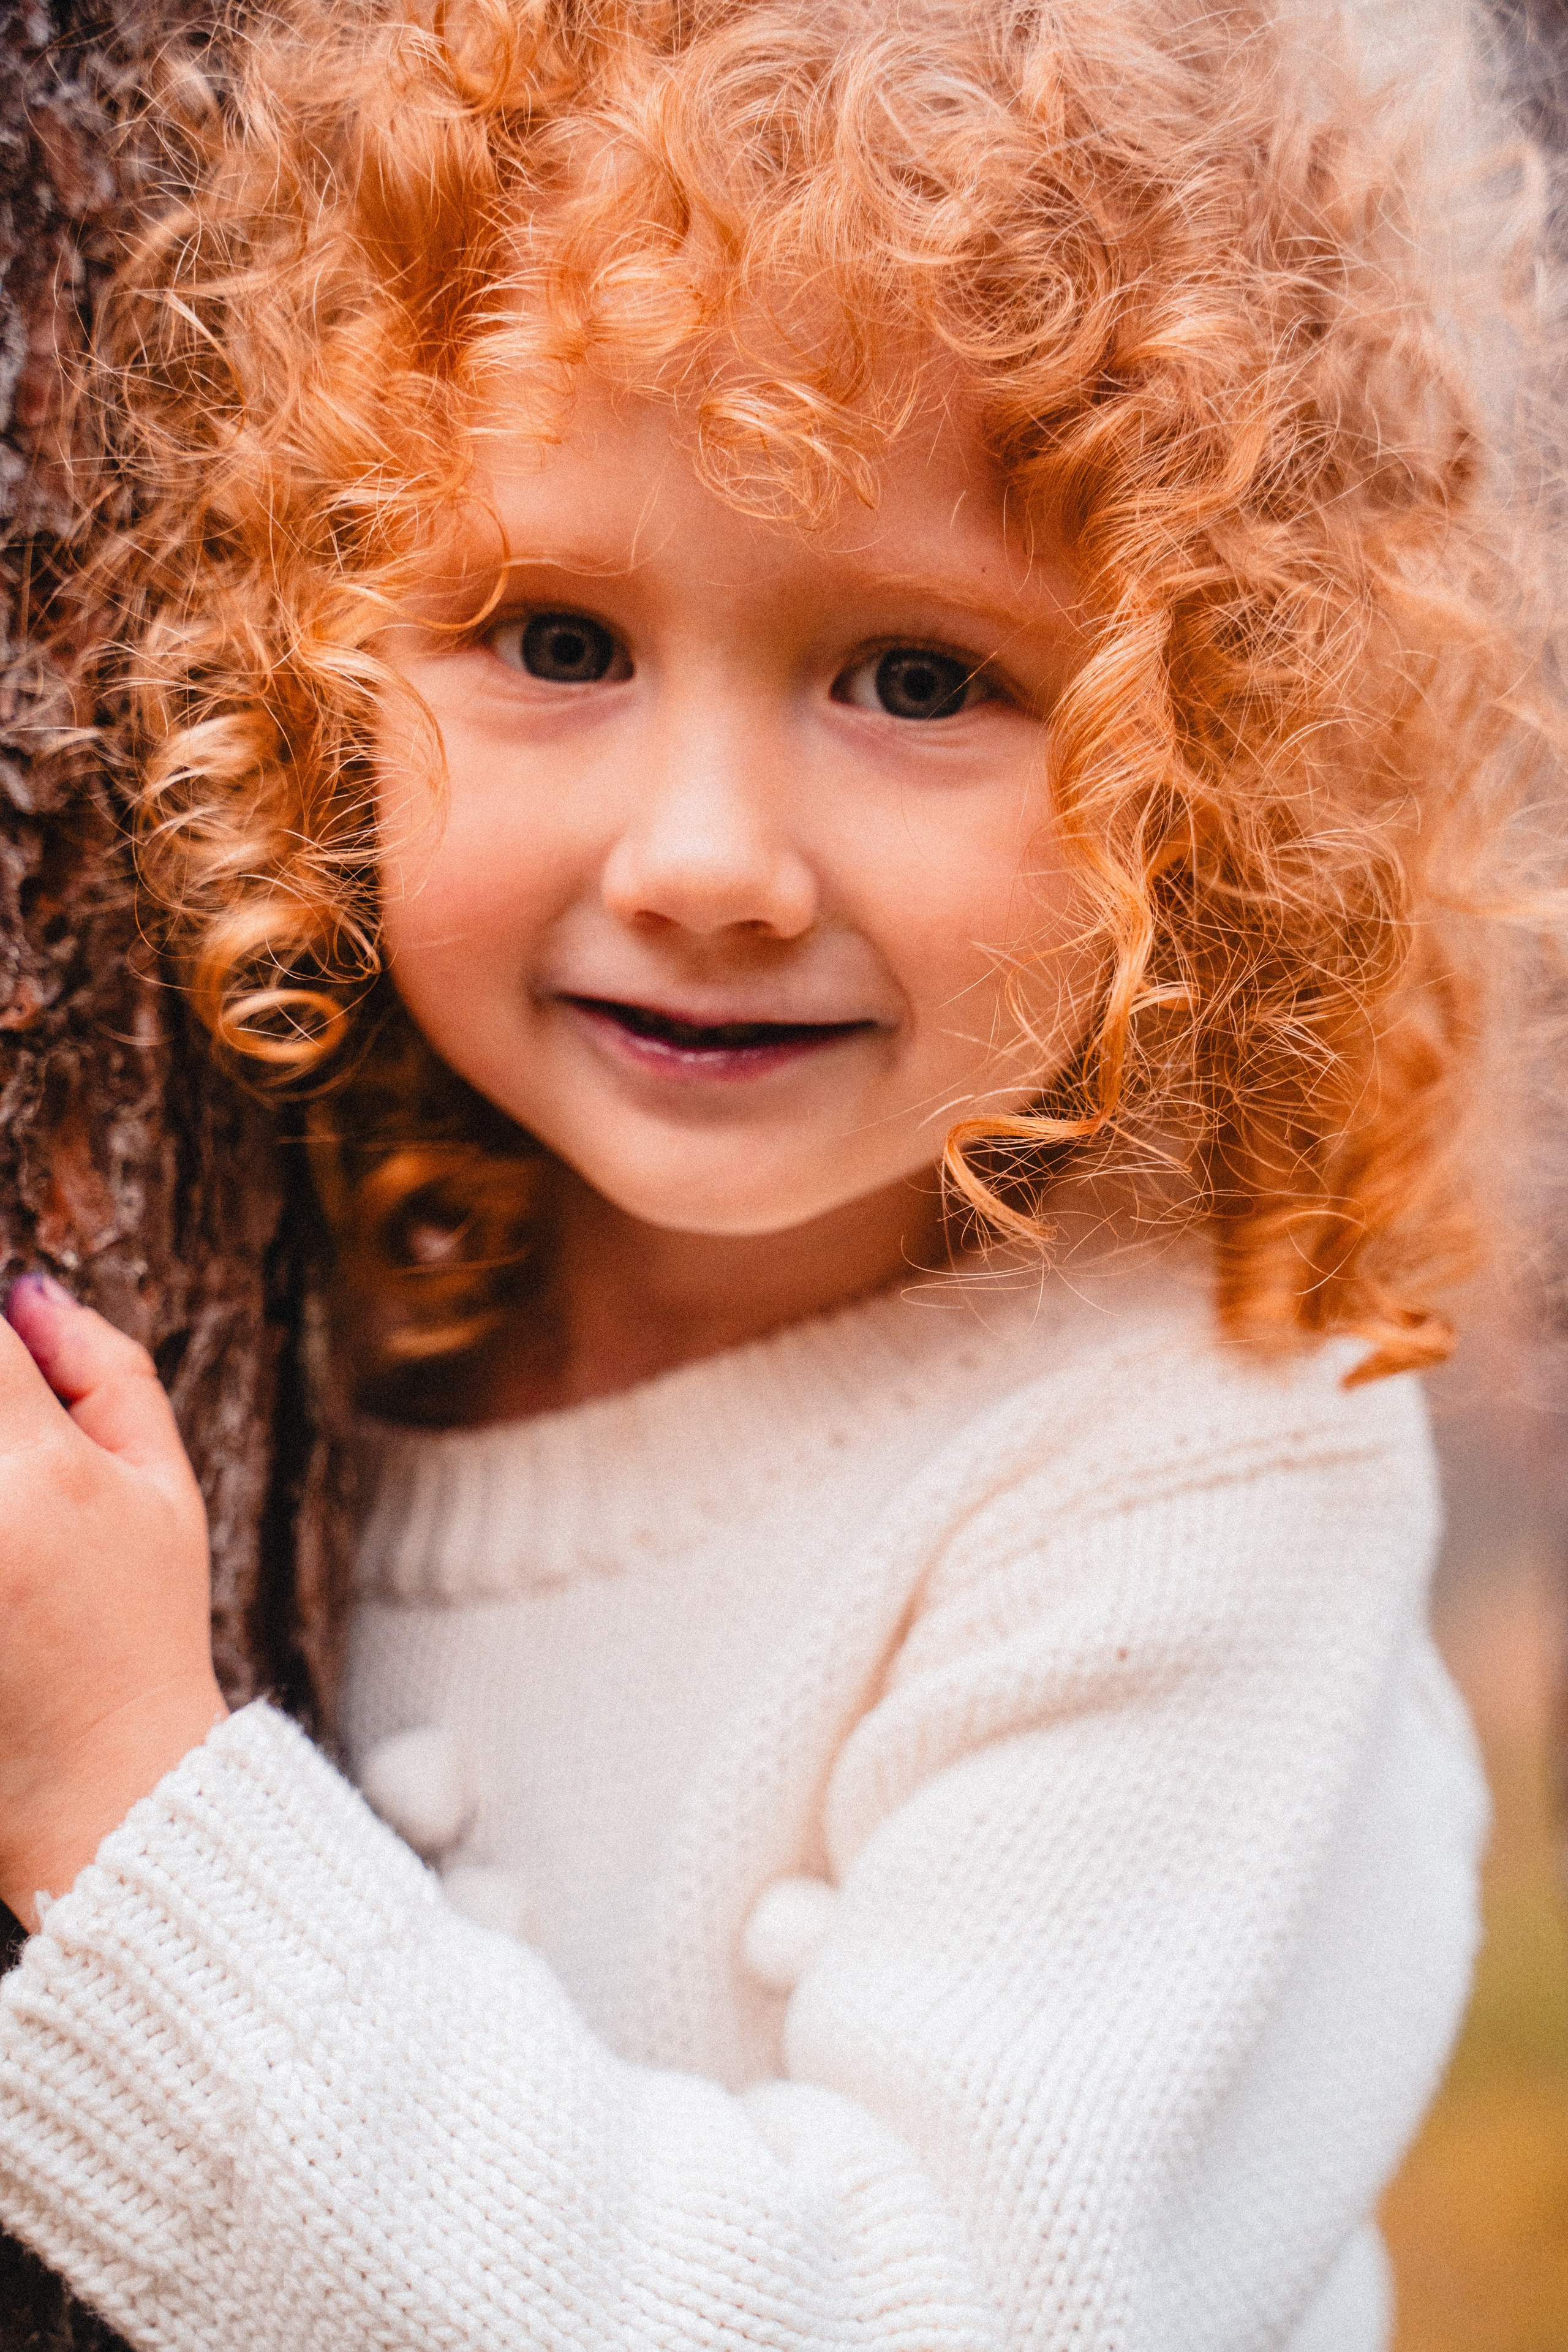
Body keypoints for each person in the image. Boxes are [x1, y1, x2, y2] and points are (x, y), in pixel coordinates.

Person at [0, 0, 1556, 2343]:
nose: (710, 862)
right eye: (555, 637)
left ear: (1217, 754)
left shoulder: (1190, 1471)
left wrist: (130, 1823)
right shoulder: (367, 1249)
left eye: (918, 680)